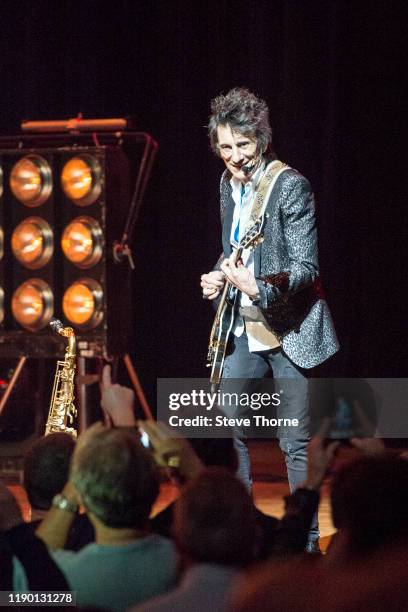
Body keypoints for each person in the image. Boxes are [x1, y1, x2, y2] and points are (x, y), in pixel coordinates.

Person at [201, 87, 339, 550]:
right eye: (226, 146)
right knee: (227, 428)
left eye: (243, 145)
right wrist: (219, 274)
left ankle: (307, 543)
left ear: (260, 139)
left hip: (289, 327)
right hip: (243, 327)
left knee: (294, 442)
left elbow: (306, 269)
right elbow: (235, 248)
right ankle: (237, 535)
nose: (235, 156)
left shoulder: (289, 186)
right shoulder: (226, 185)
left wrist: (257, 287)